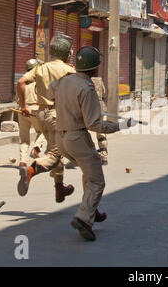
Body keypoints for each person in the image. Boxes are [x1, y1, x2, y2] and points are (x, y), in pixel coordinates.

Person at [50, 46, 137, 241]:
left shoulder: (64, 81)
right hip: (77, 138)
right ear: (94, 68)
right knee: (97, 181)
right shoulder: (88, 88)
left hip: (60, 137)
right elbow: (94, 124)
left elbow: (50, 91)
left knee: (88, 172)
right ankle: (83, 218)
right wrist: (122, 125)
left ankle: (91, 210)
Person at [16, 34, 75, 203]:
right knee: (55, 154)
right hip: (59, 116)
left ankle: (59, 187)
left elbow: (21, 82)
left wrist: (23, 106)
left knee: (56, 149)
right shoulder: (69, 70)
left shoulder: (40, 68)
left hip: (42, 115)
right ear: (67, 54)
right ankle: (33, 169)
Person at [17, 59, 46, 167]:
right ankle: (36, 148)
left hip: (22, 110)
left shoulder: (21, 81)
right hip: (35, 109)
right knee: (44, 131)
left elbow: (17, 98)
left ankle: (23, 160)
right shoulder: (39, 81)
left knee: (24, 138)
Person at [91, 75, 109, 165]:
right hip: (101, 107)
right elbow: (104, 92)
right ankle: (104, 155)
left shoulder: (82, 80)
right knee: (101, 134)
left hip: (88, 109)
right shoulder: (99, 80)